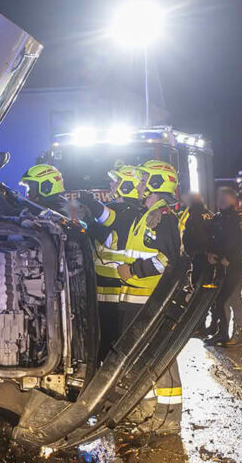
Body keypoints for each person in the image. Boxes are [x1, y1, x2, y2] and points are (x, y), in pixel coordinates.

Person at [113, 159, 184, 432]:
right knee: (142, 360)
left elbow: (167, 260)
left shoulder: (162, 217)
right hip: (136, 302)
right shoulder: (146, 215)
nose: (140, 185)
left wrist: (132, 270)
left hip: (152, 301)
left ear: (156, 183)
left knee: (160, 360)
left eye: (144, 180)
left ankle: (167, 420)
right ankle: (145, 412)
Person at [79, 163, 146, 358]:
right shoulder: (128, 210)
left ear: (126, 185)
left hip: (115, 287)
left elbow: (111, 237)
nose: (111, 184)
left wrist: (90, 217)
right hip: (108, 286)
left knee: (111, 340)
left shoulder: (129, 211)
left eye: (116, 181)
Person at [206, 185, 242, 348]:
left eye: (224, 197)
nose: (221, 200)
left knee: (234, 299)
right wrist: (210, 254)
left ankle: (238, 334)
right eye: (219, 197)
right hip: (219, 265)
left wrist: (229, 258)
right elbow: (212, 240)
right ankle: (222, 333)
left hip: (234, 264)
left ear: (232, 199)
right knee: (220, 301)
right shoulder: (217, 218)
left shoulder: (240, 219)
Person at [180, 191, 214, 286]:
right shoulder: (209, 214)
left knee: (197, 282)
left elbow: (189, 235)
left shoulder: (193, 215)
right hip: (210, 254)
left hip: (198, 254)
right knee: (208, 281)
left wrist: (190, 252)